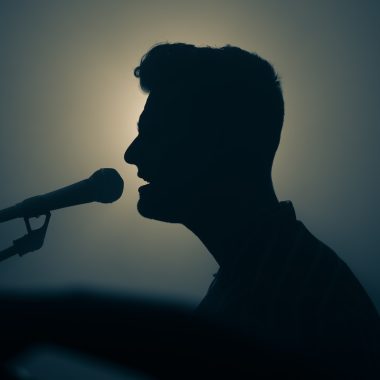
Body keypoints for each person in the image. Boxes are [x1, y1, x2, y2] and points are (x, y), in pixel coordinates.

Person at [1, 43, 379, 379]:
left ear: (221, 140)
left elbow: (228, 356)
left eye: (154, 131)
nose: (131, 154)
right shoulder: (246, 284)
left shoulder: (304, 287)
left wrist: (50, 318)